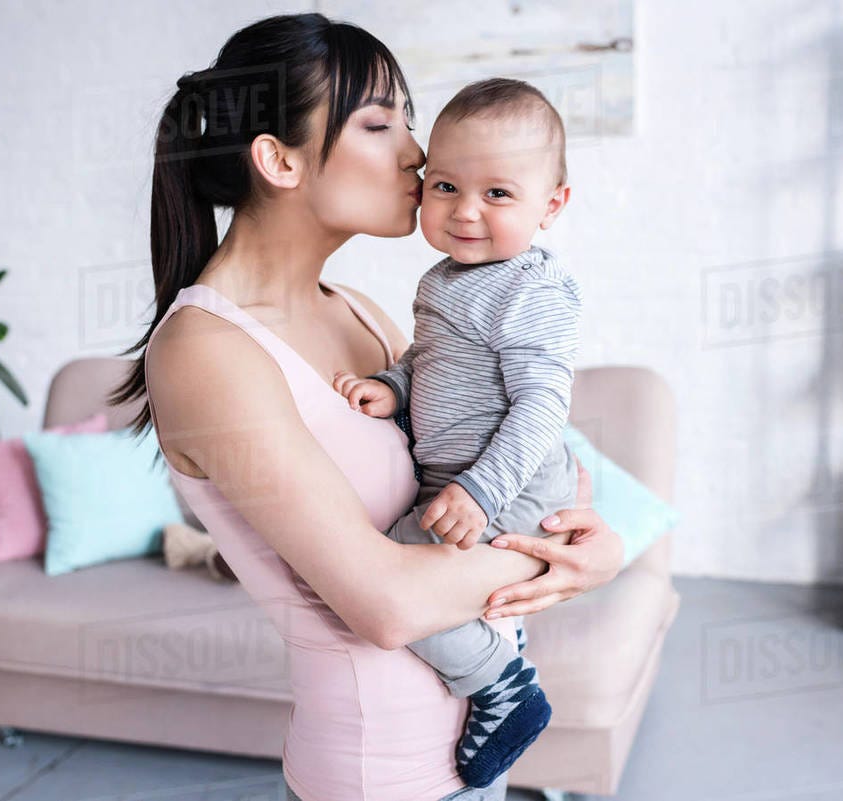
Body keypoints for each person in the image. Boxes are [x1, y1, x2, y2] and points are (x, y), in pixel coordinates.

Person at [109, 13, 625, 801]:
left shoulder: (360, 312)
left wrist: (590, 536)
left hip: (477, 757)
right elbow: (384, 606)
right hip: (381, 779)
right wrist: (565, 562)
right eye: (381, 123)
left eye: (410, 121)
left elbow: (534, 451)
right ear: (278, 159)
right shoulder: (205, 351)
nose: (419, 154)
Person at [332, 77, 580, 789]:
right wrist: (396, 386)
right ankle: (497, 657)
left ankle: (504, 686)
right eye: (444, 185)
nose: (465, 211)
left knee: (388, 575)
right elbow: (434, 360)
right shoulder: (445, 280)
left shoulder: (532, 288)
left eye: (498, 194)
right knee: (393, 569)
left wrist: (480, 487)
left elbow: (541, 405)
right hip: (459, 479)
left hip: (507, 481)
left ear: (551, 206)